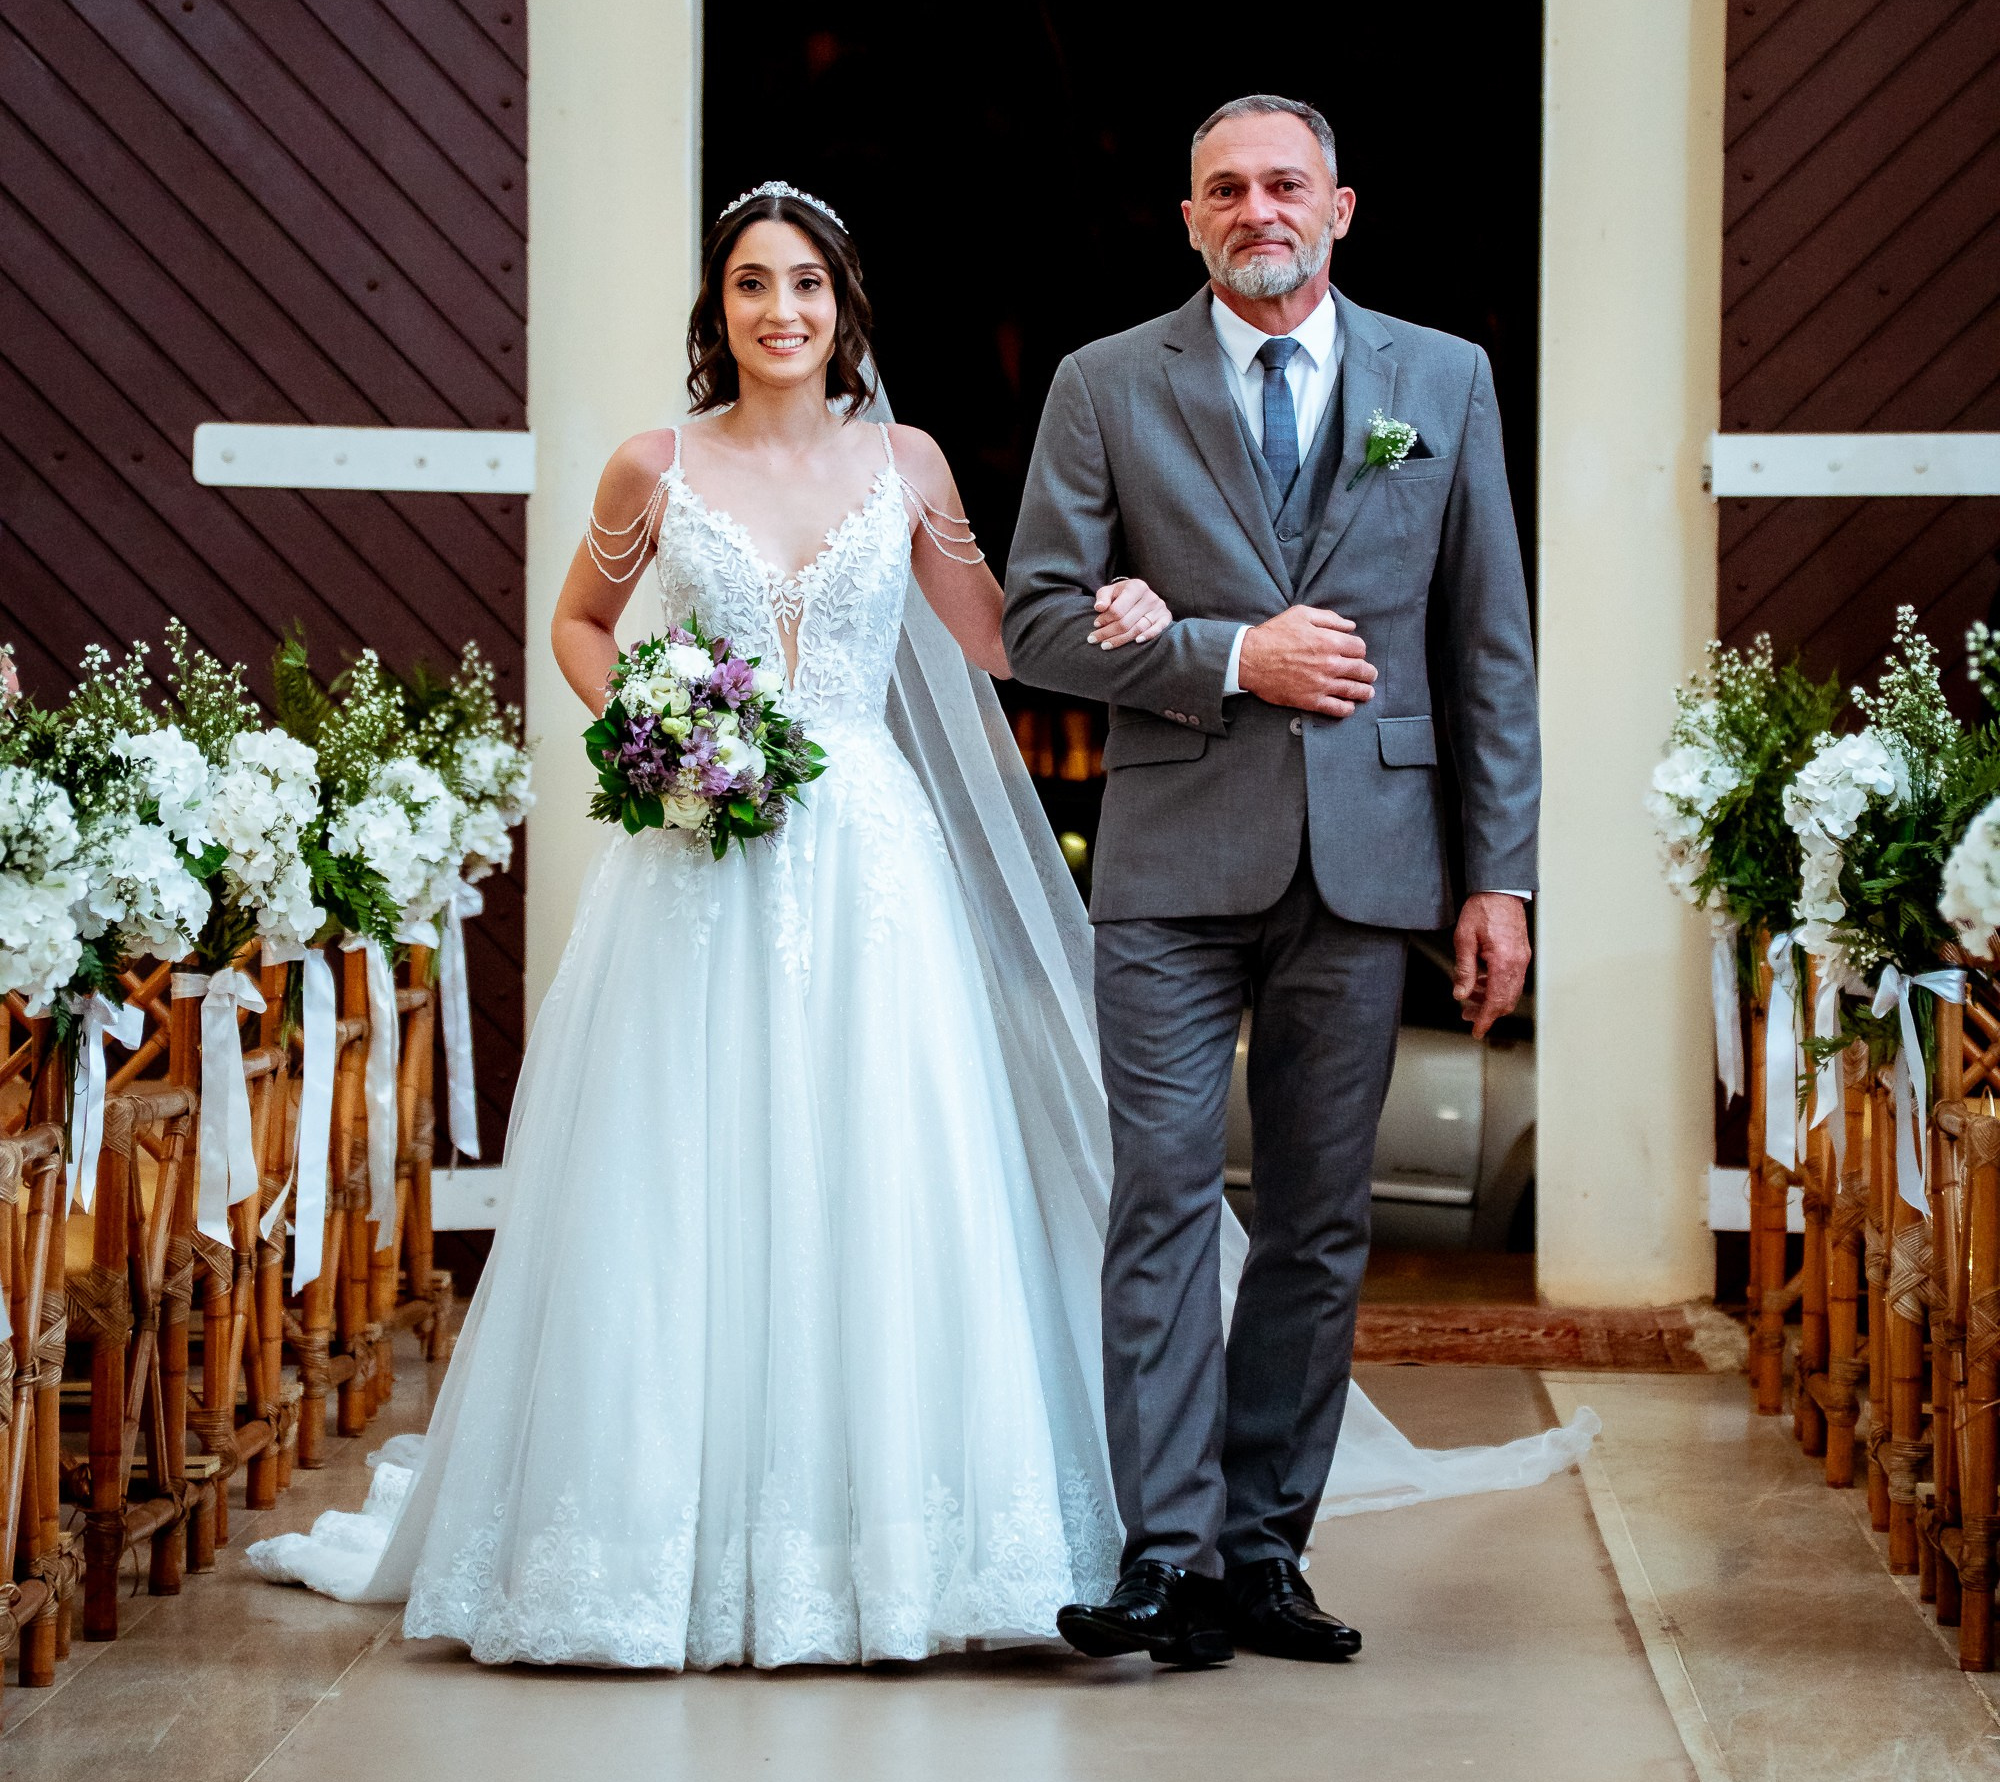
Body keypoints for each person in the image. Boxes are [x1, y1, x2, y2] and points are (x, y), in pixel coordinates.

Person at [251, 174, 1591, 1669]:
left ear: (845, 312)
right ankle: (662, 1539)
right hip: (699, 858)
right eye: (754, 286)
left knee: (885, 1173)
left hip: (869, 861)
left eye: (807, 287)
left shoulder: (909, 464)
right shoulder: (651, 467)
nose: (782, 311)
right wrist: (653, 722)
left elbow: (1004, 636)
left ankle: (905, 1542)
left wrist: (1144, 615)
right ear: (721, 311)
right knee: (682, 1178)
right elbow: (577, 622)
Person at [1004, 94, 1544, 1672]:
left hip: (1374, 862)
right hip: (1172, 858)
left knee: (1316, 1223)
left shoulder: (1443, 381)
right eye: (1226, 189)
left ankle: (1262, 1554)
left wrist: (1497, 877)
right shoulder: (1108, 385)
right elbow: (1037, 625)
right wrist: (1231, 653)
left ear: (1342, 208)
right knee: (1162, 1200)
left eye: (1285, 185)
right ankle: (1163, 1558)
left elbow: (1486, 647)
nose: (1258, 209)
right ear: (1190, 220)